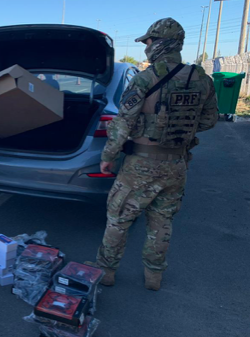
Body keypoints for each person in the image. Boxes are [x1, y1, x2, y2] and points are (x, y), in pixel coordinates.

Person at [85, 18, 218, 291]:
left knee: (119, 217)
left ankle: (107, 272)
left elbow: (124, 122)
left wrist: (108, 155)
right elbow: (209, 121)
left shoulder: (146, 78)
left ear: (159, 43)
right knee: (161, 222)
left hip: (141, 165)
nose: (146, 46)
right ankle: (153, 277)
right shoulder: (201, 79)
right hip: (177, 164)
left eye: (148, 41)